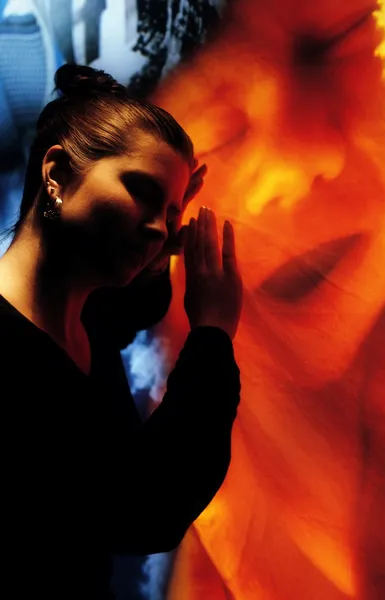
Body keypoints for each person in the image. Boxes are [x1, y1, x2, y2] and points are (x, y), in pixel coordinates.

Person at [0, 63, 242, 598]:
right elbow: (144, 511)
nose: (160, 227)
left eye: (173, 214)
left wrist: (155, 248)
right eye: (140, 191)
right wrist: (213, 333)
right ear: (57, 174)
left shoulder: (82, 315)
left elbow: (122, 313)